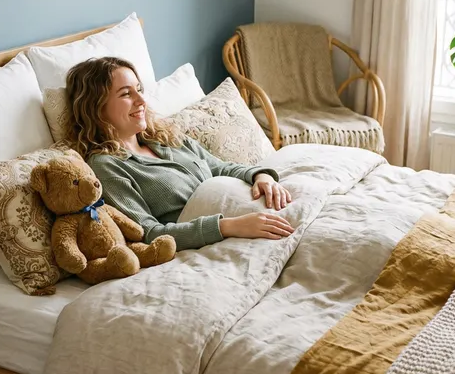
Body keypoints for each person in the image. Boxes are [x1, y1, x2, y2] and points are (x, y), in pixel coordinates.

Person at [64, 56, 295, 252]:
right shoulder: (106, 166)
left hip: (260, 214)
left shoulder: (166, 137)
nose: (141, 100)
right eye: (126, 94)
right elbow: (148, 233)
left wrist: (261, 176)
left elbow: (221, 168)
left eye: (139, 90)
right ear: (96, 108)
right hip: (228, 237)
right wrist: (232, 226)